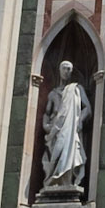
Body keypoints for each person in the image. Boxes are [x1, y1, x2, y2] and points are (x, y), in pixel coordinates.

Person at [41, 59, 91, 195]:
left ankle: (67, 182)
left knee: (69, 156)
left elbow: (87, 108)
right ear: (59, 70)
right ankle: (53, 180)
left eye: (69, 69)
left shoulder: (76, 89)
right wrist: (46, 126)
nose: (66, 71)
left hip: (70, 128)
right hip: (55, 130)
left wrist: (79, 120)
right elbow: (47, 113)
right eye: (64, 68)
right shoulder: (53, 94)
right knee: (55, 157)